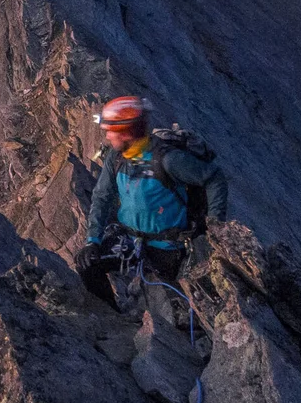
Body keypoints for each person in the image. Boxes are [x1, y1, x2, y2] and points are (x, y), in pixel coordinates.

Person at [76, 95, 228, 314]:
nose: (107, 137)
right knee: (87, 264)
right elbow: (101, 197)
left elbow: (214, 178)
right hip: (130, 239)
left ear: (127, 133)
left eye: (112, 131)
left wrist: (214, 226)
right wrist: (93, 241)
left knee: (179, 314)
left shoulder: (168, 160)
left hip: (168, 247)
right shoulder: (116, 158)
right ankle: (114, 319)